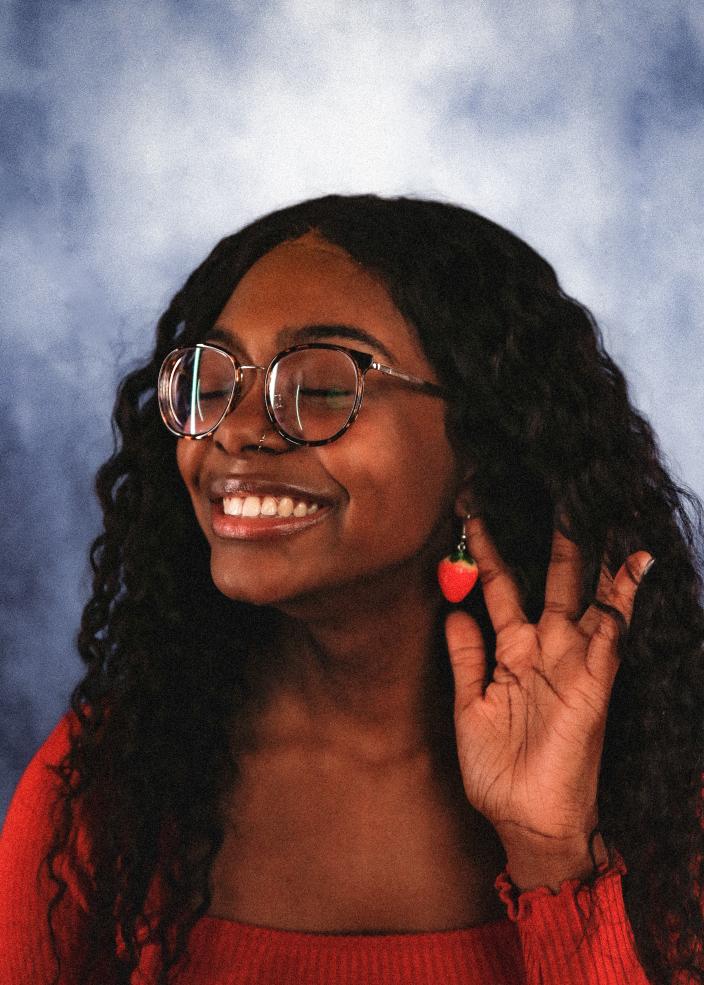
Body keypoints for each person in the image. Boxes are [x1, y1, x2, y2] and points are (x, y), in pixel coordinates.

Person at [1, 194, 702, 985]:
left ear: (477, 446)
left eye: (326, 386)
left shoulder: (666, 785)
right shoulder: (111, 782)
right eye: (214, 379)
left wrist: (555, 858)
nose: (236, 429)